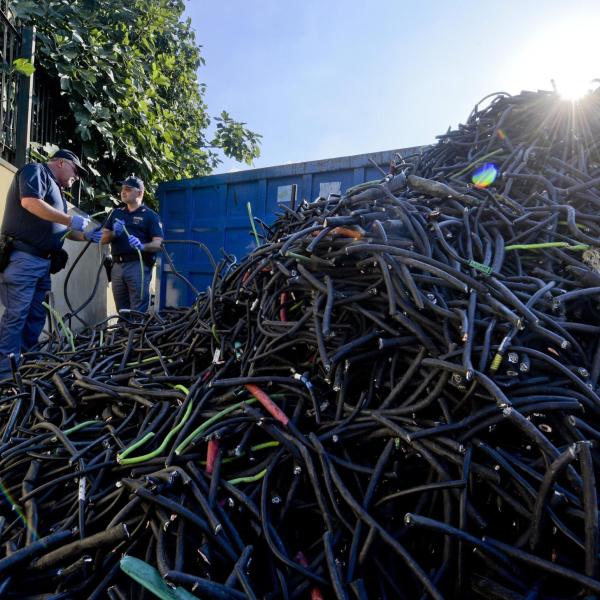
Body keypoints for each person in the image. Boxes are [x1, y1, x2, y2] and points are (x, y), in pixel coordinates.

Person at [0, 149, 100, 379]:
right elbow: (30, 203)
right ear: (62, 163)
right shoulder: (36, 171)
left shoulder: (59, 193)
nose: (77, 177)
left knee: (35, 317)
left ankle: (26, 367)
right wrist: (68, 219)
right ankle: (5, 375)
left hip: (42, 263)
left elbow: (63, 229)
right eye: (76, 170)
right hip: (24, 258)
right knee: (16, 315)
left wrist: (84, 236)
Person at [102, 176, 163, 313]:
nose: (123, 192)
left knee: (137, 311)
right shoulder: (116, 213)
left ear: (140, 193)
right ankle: (123, 334)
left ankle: (136, 334)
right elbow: (102, 238)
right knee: (122, 310)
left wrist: (143, 246)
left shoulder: (150, 216)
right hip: (117, 266)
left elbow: (159, 244)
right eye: (122, 189)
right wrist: (114, 234)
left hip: (138, 266)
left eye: (128, 189)